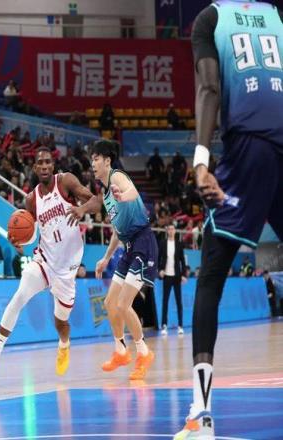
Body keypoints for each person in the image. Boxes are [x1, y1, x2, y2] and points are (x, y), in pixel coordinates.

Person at [174, 2, 283, 439]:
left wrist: (201, 160)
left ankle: (201, 413)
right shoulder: (278, 18)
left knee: (211, 277)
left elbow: (209, 88)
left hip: (252, 149)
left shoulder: (211, 19)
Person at [0, 146, 100, 377]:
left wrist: (82, 209)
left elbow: (97, 201)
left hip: (66, 270)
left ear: (52, 165)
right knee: (19, 296)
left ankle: (64, 345)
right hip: (44, 261)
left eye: (47, 162)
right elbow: (32, 232)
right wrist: (19, 240)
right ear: (34, 168)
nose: (44, 166)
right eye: (39, 163)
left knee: (61, 323)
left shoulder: (65, 182)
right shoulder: (31, 199)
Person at [91, 140, 158, 381]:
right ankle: (120, 351)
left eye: (96, 159)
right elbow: (117, 230)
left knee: (123, 304)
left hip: (143, 243)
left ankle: (144, 353)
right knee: (110, 302)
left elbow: (133, 192)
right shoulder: (105, 194)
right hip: (128, 247)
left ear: (107, 161)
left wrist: (123, 196)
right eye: (91, 159)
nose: (93, 163)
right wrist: (105, 258)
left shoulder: (117, 176)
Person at [158, 223, 187, 335]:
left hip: (177, 276)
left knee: (179, 301)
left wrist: (184, 275)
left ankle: (180, 326)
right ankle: (164, 325)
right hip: (166, 276)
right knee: (165, 301)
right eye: (169, 229)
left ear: (175, 231)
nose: (171, 231)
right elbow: (158, 258)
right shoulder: (162, 243)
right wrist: (160, 270)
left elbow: (182, 261)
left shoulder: (179, 244)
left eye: (172, 229)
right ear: (167, 231)